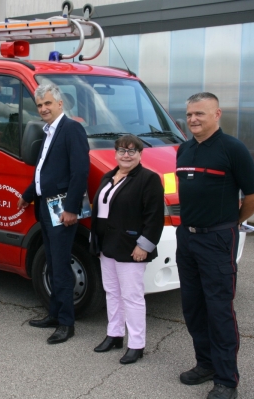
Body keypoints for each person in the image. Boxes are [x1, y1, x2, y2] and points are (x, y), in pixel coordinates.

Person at [176, 92, 254, 399]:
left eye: (200, 113)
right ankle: (206, 364)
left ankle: (227, 380)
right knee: (193, 307)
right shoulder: (183, 150)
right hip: (186, 238)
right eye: (189, 114)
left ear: (217, 115)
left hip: (217, 239)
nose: (193, 119)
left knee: (219, 310)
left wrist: (233, 223)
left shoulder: (233, 149)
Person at [17, 84, 90, 344]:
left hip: (61, 210)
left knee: (60, 267)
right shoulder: (48, 131)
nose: (44, 109)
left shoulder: (72, 129)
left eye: (48, 103)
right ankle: (54, 314)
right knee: (52, 262)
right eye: (39, 105)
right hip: (44, 206)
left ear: (60, 104)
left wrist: (71, 208)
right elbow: (42, 172)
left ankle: (66, 324)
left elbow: (80, 171)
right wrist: (27, 195)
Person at [89, 134, 164, 364]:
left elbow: (154, 217)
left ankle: (136, 344)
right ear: (115, 153)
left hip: (131, 248)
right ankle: (114, 335)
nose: (126, 155)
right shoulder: (108, 177)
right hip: (106, 245)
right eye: (122, 150)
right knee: (111, 292)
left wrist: (144, 245)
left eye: (132, 151)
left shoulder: (148, 179)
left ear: (140, 154)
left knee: (132, 296)